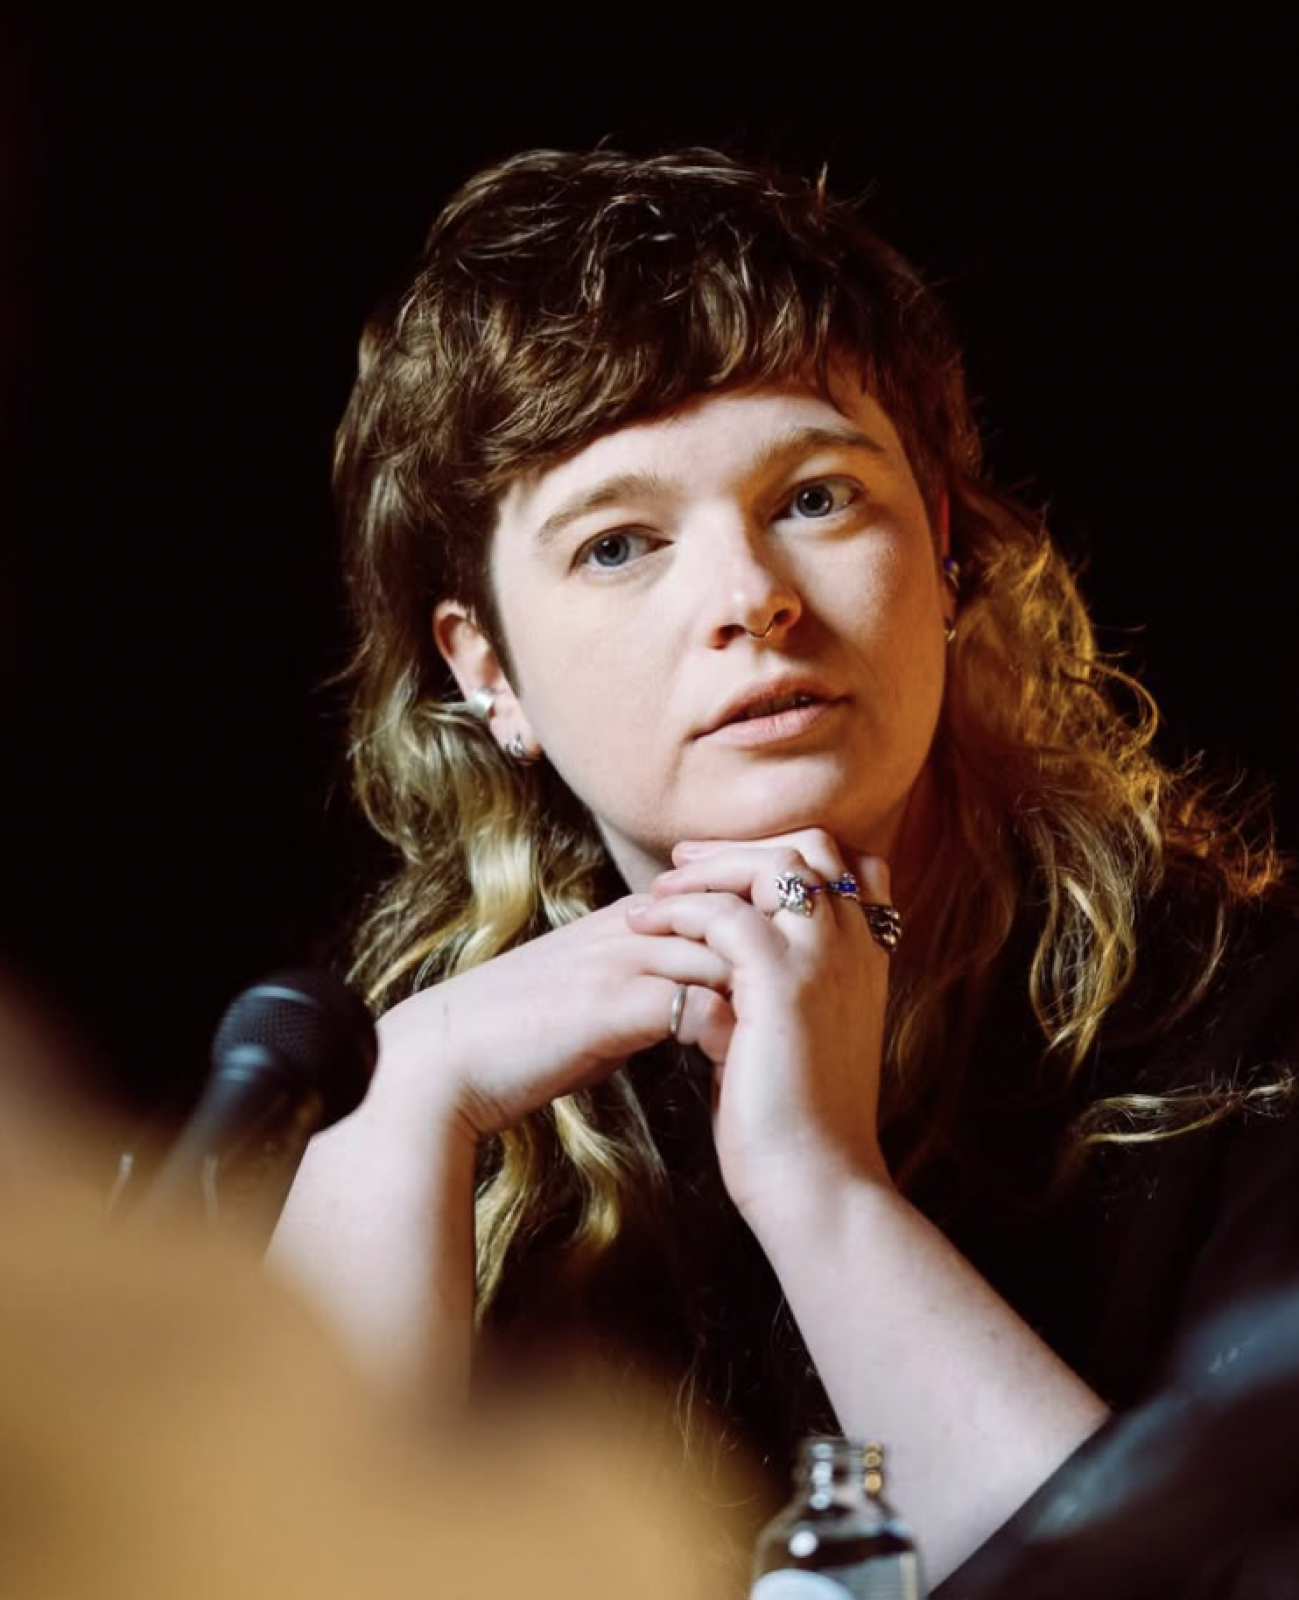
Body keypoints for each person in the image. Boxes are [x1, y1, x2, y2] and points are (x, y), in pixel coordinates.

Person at [269, 146, 1299, 1593]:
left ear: (942, 547)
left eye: (815, 498)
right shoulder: (388, 1076)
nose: (750, 598)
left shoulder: (1251, 1036)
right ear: (485, 666)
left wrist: (819, 1186)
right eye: (618, 544)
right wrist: (409, 1104)